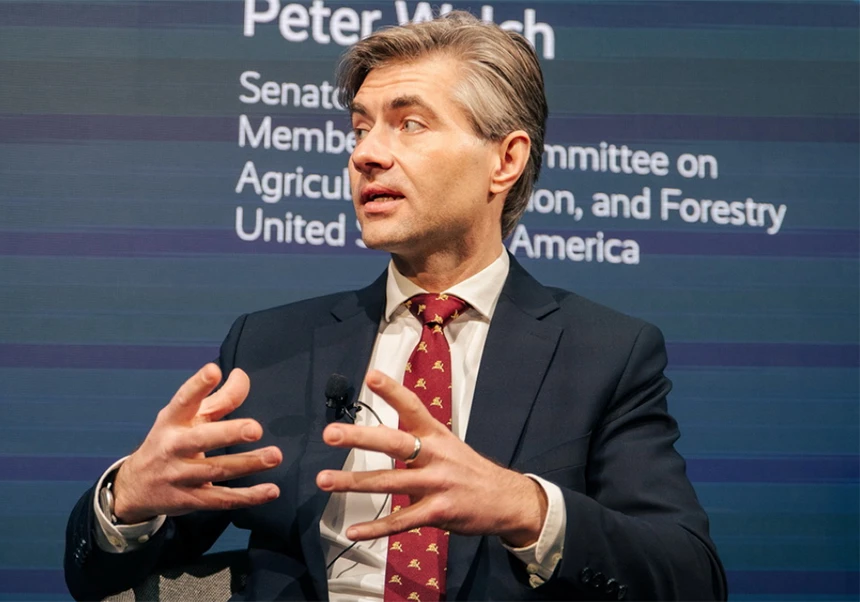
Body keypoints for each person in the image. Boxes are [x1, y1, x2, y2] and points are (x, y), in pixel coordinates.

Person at [65, 11, 726, 601]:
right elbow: (98, 579)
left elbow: (690, 577)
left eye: (410, 124)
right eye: (360, 129)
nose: (366, 154)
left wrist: (523, 505)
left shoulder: (605, 354)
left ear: (505, 160)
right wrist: (127, 501)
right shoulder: (270, 347)